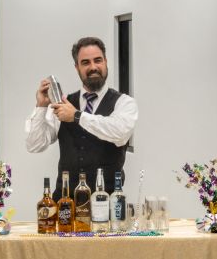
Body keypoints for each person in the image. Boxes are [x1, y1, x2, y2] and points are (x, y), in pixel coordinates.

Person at [26, 36, 138, 200]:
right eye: (85, 62)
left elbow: (119, 132)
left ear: (106, 62)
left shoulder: (125, 103)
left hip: (108, 204)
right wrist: (41, 107)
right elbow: (34, 145)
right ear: (77, 67)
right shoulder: (64, 104)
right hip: (65, 204)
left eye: (98, 60)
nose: (93, 67)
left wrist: (77, 116)